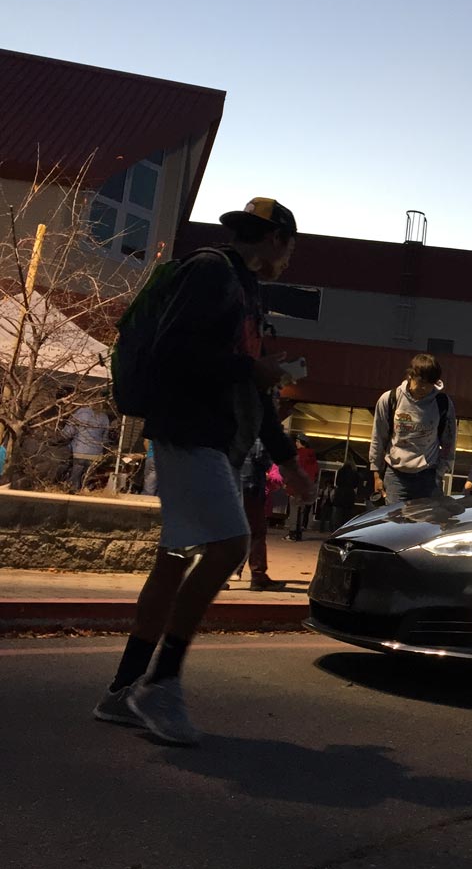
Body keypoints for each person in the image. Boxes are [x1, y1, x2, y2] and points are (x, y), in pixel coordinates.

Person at [92, 197, 316, 746]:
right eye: (290, 246)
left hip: (209, 437)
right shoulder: (212, 272)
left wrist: (286, 460)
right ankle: (160, 683)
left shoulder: (246, 291)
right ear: (276, 240)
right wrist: (250, 366)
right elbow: (173, 349)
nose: (290, 258)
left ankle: (121, 691)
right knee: (229, 545)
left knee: (172, 561)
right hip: (189, 431)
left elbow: (254, 391)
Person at [369, 353, 457, 506]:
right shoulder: (390, 399)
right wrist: (376, 474)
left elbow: (449, 441)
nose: (424, 388)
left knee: (427, 526)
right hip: (396, 475)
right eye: (421, 382)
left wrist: (440, 472)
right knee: (395, 525)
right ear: (410, 375)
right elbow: (378, 437)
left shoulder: (442, 403)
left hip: (428, 475)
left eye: (430, 383)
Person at [237, 438, 286, 590]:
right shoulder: (257, 435)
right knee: (257, 532)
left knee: (230, 532)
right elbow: (262, 456)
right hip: (250, 487)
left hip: (232, 485)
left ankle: (220, 575)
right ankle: (258, 576)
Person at [63, 400, 113, 492]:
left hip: (79, 451)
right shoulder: (104, 417)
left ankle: (73, 493)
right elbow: (105, 439)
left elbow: (68, 433)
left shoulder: (80, 413)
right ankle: (86, 494)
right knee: (88, 480)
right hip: (95, 455)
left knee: (75, 478)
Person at [283, 435, 319, 541]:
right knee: (301, 511)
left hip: (296, 487)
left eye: (297, 441)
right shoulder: (312, 457)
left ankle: (292, 533)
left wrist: (287, 483)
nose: (296, 443)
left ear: (301, 442)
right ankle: (298, 533)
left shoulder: (298, 455)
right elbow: (315, 473)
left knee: (294, 509)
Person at [331, 457, 360, 529]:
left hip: (340, 494)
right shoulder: (354, 472)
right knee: (347, 515)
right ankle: (345, 529)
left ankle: (336, 529)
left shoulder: (341, 471)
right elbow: (356, 484)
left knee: (338, 515)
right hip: (349, 495)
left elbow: (337, 482)